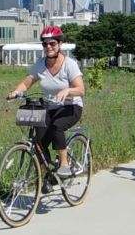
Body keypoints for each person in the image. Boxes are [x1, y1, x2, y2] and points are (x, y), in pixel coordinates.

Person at [8, 26, 85, 181]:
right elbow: (26, 83)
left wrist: (67, 91)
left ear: (60, 44)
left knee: (57, 126)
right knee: (39, 142)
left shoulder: (69, 64)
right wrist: (16, 92)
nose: (48, 47)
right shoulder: (40, 64)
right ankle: (48, 174)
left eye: (52, 43)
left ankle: (64, 164)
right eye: (45, 44)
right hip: (49, 107)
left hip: (71, 107)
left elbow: (81, 90)